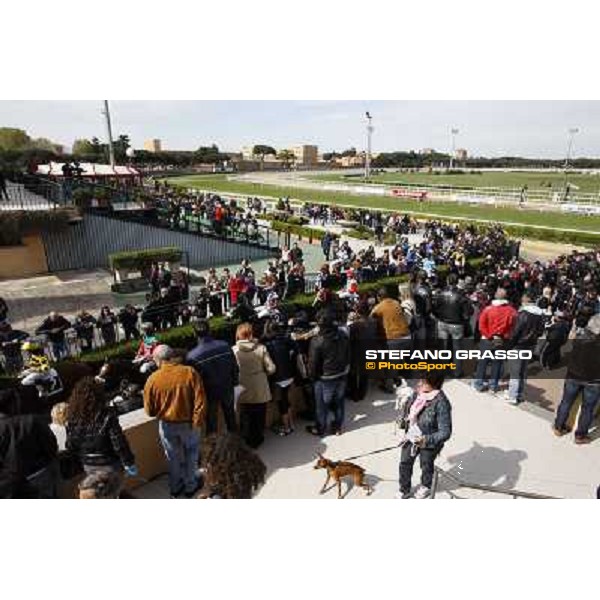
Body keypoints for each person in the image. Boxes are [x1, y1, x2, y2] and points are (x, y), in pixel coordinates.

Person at [144, 345, 206, 498]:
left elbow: (149, 411)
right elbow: (201, 400)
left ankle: (175, 487)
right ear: (171, 356)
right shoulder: (189, 372)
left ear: (158, 360)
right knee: (192, 454)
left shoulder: (152, 379)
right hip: (189, 423)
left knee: (173, 457)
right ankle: (190, 486)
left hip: (167, 426)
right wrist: (196, 422)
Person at [66, 377, 137, 497]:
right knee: (113, 493)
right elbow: (119, 444)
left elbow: (71, 445)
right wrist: (129, 462)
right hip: (110, 466)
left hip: (88, 466)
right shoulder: (107, 417)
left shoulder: (72, 420)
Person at [397, 372, 452, 499]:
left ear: (434, 385)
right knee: (404, 462)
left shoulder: (442, 403)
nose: (419, 383)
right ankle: (404, 489)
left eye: (424, 382)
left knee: (426, 465)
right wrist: (402, 430)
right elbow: (407, 413)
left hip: (428, 440)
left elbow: (445, 432)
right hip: (411, 435)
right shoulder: (417, 393)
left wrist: (426, 439)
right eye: (421, 380)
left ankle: (426, 486)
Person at [0, 388, 59, 499]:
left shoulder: (31, 420)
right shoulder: (32, 420)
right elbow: (51, 446)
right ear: (13, 404)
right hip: (38, 475)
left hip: (10, 486)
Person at [553, 314, 600, 444]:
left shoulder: (580, 338)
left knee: (566, 401)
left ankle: (558, 426)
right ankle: (580, 435)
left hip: (574, 375)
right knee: (588, 408)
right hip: (594, 381)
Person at [186, 319, 238, 435]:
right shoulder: (224, 345)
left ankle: (214, 451)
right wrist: (234, 382)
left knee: (211, 425)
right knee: (231, 420)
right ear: (209, 330)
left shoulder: (192, 356)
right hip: (227, 388)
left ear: (194, 334)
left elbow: (194, 381)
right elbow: (234, 367)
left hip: (209, 394)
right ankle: (237, 448)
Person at [233, 322, 276, 449]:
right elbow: (272, 368)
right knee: (260, 413)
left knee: (245, 413)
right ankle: (258, 438)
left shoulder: (234, 350)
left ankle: (247, 438)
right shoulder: (261, 348)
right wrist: (263, 373)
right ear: (251, 333)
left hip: (243, 385)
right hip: (259, 384)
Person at [306, 313, 350, 437]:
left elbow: (313, 364)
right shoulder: (343, 335)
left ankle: (320, 428)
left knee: (322, 406)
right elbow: (348, 354)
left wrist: (312, 379)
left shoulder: (317, 341)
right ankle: (337, 427)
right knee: (339, 402)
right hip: (341, 374)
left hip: (325, 378)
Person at [472, 288, 517, 393]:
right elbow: (513, 327)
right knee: (497, 363)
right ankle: (493, 385)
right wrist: (504, 336)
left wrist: (489, 336)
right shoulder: (512, 311)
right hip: (502, 340)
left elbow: (481, 326)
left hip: (487, 340)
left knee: (483, 362)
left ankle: (478, 384)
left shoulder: (488, 309)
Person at [504, 292, 544, 405]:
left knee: (515, 372)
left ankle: (512, 395)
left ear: (526, 299)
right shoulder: (540, 315)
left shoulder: (523, 314)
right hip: (530, 345)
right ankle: (519, 394)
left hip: (518, 346)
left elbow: (515, 333)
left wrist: (508, 346)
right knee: (523, 371)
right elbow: (540, 332)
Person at [198, 433, 266, 499]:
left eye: (210, 465)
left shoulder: (234, 493)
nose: (206, 468)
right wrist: (211, 493)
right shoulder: (238, 483)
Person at [432, 273, 473, 378]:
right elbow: (467, 313)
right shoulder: (461, 295)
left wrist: (440, 317)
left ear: (447, 281)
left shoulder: (441, 293)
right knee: (457, 349)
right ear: (456, 282)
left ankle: (443, 370)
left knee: (443, 348)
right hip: (456, 324)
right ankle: (457, 372)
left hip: (443, 323)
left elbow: (435, 308)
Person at [371, 287, 411, 390]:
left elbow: (370, 320)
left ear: (379, 297)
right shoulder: (396, 302)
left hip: (393, 339)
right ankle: (401, 376)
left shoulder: (378, 307)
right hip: (407, 336)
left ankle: (390, 386)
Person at [264, 321, 298, 436]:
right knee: (286, 400)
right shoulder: (285, 339)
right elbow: (296, 348)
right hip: (289, 375)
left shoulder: (268, 345)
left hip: (278, 378)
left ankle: (287, 427)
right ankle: (291, 424)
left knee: (282, 403)